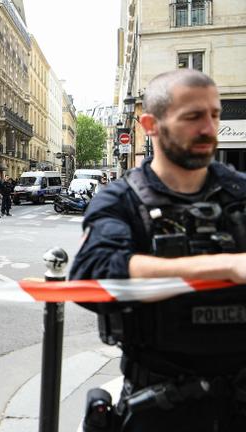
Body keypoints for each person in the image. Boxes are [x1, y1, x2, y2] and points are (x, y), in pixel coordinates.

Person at [70, 69, 246, 431]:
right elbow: (93, 272)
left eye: (215, 115)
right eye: (193, 116)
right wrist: (224, 266)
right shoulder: (120, 199)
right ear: (150, 124)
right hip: (161, 402)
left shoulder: (239, 193)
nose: (210, 128)